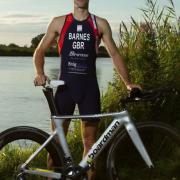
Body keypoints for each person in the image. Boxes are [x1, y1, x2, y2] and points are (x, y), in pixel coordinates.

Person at [33, 0, 140, 179]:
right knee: (57, 143)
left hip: (89, 89)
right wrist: (39, 73)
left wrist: (128, 83)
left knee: (91, 145)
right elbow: (40, 50)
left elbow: (114, 54)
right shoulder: (59, 22)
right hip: (65, 89)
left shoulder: (100, 24)